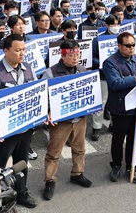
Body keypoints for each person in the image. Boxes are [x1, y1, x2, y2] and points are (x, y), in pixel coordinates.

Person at [0, 34, 38, 208]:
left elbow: (35, 93)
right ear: (5, 51)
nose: (22, 53)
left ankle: (21, 193)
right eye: (18, 50)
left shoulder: (28, 68)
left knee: (21, 163)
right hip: (4, 130)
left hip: (24, 128)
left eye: (24, 49)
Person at [40, 40, 93, 201]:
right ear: (63, 56)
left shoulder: (82, 69)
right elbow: (43, 96)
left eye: (78, 54)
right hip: (60, 120)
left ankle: (77, 173)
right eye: (71, 55)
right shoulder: (51, 73)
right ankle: (50, 180)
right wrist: (47, 112)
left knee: (79, 148)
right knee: (54, 152)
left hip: (79, 118)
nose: (76, 58)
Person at [103, 32, 136, 184]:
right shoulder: (110, 62)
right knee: (118, 139)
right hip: (120, 108)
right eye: (128, 45)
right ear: (119, 46)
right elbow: (115, 83)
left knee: (133, 138)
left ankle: (131, 167)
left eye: (133, 45)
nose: (132, 48)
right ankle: (116, 165)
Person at [90, 15, 120, 140]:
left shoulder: (121, 38)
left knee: (116, 101)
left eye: (118, 24)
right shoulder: (98, 40)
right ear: (107, 25)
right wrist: (102, 62)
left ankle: (114, 124)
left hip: (118, 74)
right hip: (103, 75)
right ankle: (96, 127)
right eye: (113, 25)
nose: (116, 27)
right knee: (101, 102)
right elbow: (92, 57)